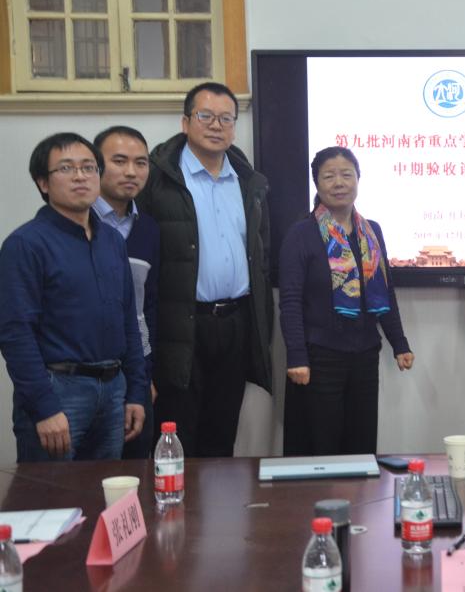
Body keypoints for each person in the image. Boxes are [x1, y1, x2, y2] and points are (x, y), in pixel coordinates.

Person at [137, 82, 274, 457]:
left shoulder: (249, 182)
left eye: (226, 118)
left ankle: (217, 499)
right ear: (185, 122)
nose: (216, 125)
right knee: (177, 435)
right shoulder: (157, 179)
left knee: (221, 434)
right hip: (180, 326)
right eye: (206, 116)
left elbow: (261, 255)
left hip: (235, 322)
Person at [0, 133, 147, 461]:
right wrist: (44, 408)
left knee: (106, 488)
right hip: (59, 391)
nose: (80, 176)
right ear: (43, 183)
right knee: (51, 491)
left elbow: (129, 321)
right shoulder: (25, 244)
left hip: (114, 390)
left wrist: (136, 391)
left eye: (88, 167)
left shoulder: (112, 241)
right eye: (66, 168)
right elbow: (15, 334)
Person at [278, 146, 413, 455]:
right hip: (319, 358)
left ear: (358, 179)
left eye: (346, 175)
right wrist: (296, 356)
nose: (339, 183)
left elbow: (385, 290)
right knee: (321, 445)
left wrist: (400, 344)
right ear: (317, 183)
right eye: (329, 176)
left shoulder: (372, 232)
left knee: (361, 444)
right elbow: (290, 301)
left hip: (365, 353)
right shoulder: (301, 234)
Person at [93, 126, 160, 459]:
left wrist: (144, 376)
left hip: (135, 371)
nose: (131, 171)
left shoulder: (148, 228)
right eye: (119, 161)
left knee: (136, 474)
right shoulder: (76, 222)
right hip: (83, 373)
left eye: (141, 163)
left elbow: (148, 308)